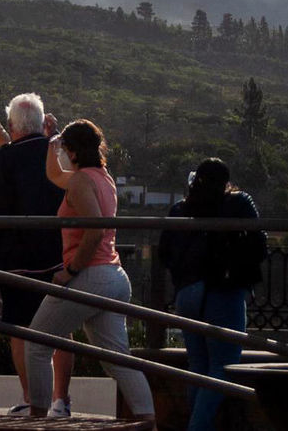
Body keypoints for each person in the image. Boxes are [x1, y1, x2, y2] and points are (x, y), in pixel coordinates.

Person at [25, 119, 154, 422]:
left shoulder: (82, 181)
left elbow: (93, 231)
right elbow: (54, 174)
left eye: (64, 150)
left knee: (36, 343)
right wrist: (52, 143)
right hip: (113, 275)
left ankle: (36, 419)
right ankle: (150, 422)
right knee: (118, 361)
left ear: (72, 151)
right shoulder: (102, 177)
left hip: (90, 275)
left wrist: (70, 271)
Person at [0, 93, 74, 416]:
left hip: (16, 261)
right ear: (41, 121)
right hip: (58, 256)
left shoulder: (2, 161)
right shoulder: (57, 155)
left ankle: (29, 397)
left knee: (19, 330)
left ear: (11, 126)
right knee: (61, 329)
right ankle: (60, 400)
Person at [159, 158, 266, 431]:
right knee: (223, 367)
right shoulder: (239, 203)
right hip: (222, 291)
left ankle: (194, 422)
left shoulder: (179, 210)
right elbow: (259, 244)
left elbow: (164, 254)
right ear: (226, 182)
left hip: (186, 294)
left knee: (198, 365)